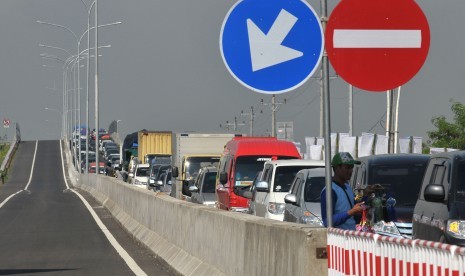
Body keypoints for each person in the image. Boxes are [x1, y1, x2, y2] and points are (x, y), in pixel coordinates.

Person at [320, 152, 364, 230]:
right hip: (338, 239)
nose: (351, 171)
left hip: (351, 236)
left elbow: (353, 209)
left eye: (352, 167)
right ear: (337, 168)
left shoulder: (347, 187)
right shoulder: (330, 191)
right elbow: (327, 221)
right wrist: (350, 212)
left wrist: (366, 194)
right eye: (347, 168)